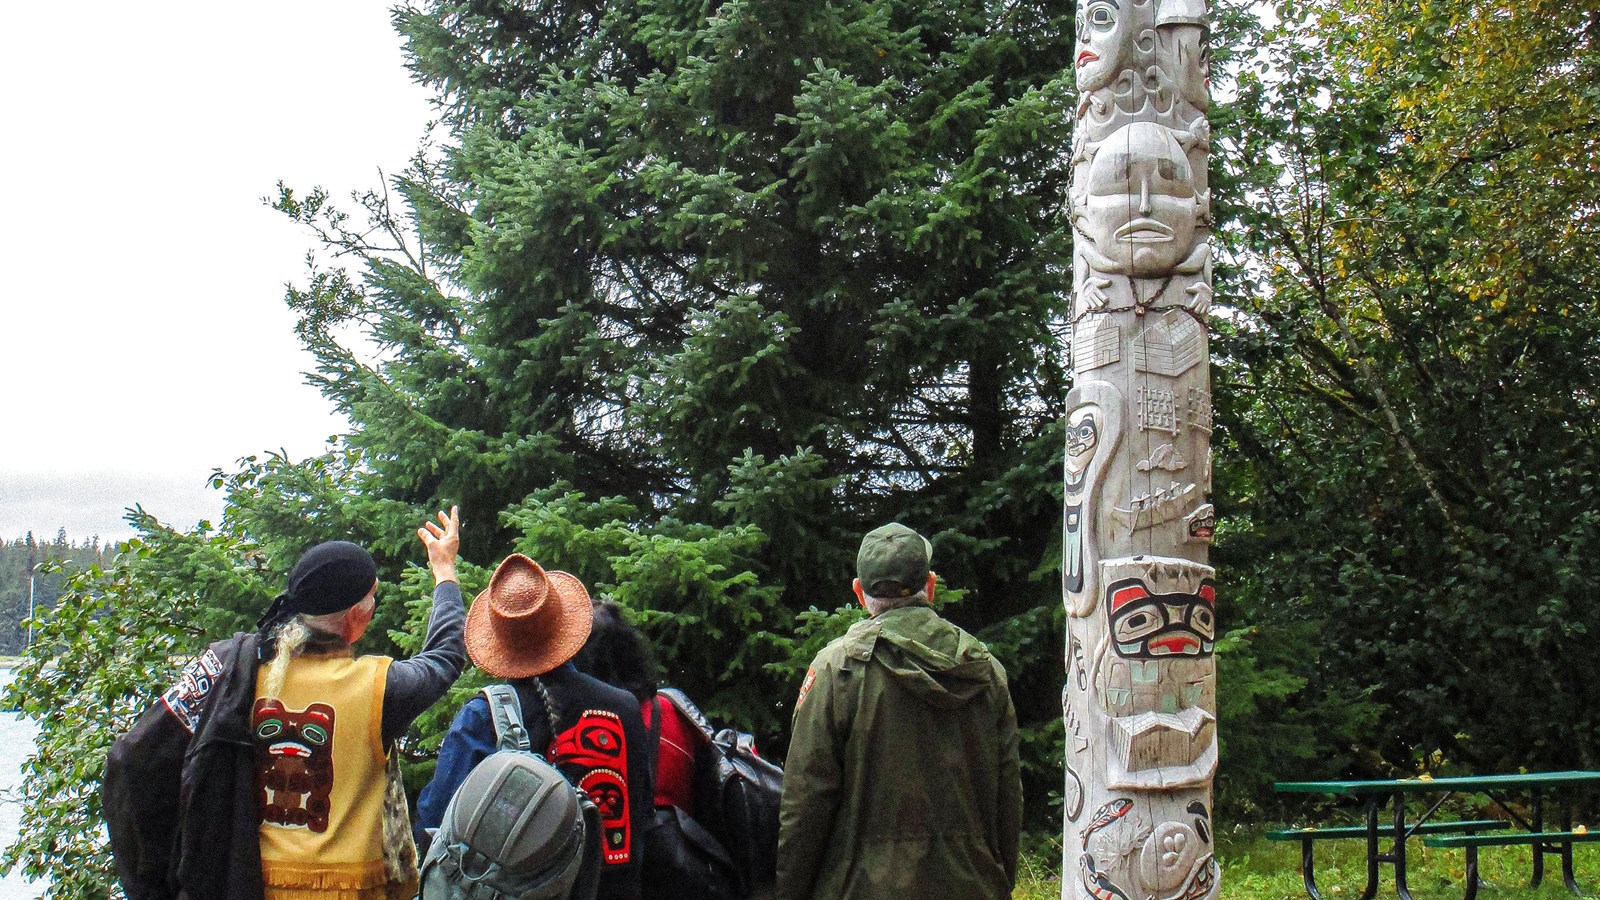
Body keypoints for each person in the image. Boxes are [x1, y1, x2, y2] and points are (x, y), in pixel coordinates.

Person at [103, 507, 468, 900]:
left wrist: (154, 883)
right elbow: (446, 656)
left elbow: (131, 758)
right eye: (372, 597)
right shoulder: (380, 688)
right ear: (354, 618)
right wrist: (444, 571)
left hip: (242, 887)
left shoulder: (227, 669)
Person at [776, 522, 1023, 900]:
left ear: (860, 593)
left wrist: (791, 891)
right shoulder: (985, 670)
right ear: (931, 585)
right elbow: (1008, 794)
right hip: (973, 885)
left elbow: (806, 799)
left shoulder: (836, 670)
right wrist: (999, 879)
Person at [416, 555, 654, 900]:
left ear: (499, 641)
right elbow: (643, 813)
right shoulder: (624, 707)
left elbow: (436, 819)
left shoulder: (483, 715)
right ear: (566, 626)